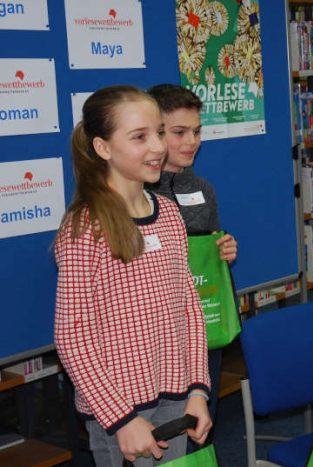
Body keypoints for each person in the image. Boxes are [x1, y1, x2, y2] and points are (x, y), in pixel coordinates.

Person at [54, 85, 212, 466]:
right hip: (122, 415)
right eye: (140, 137)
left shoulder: (169, 214)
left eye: (159, 132)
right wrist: (122, 418)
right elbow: (73, 335)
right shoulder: (84, 228)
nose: (157, 147)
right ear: (103, 148)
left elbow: (189, 309)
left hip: (175, 396)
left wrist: (197, 389)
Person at [146, 84, 236, 437]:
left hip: (204, 326)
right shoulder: (136, 194)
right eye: (179, 132)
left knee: (201, 419)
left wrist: (224, 250)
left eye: (197, 131)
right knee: (164, 426)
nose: (191, 142)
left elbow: (209, 253)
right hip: (159, 333)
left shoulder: (203, 189)